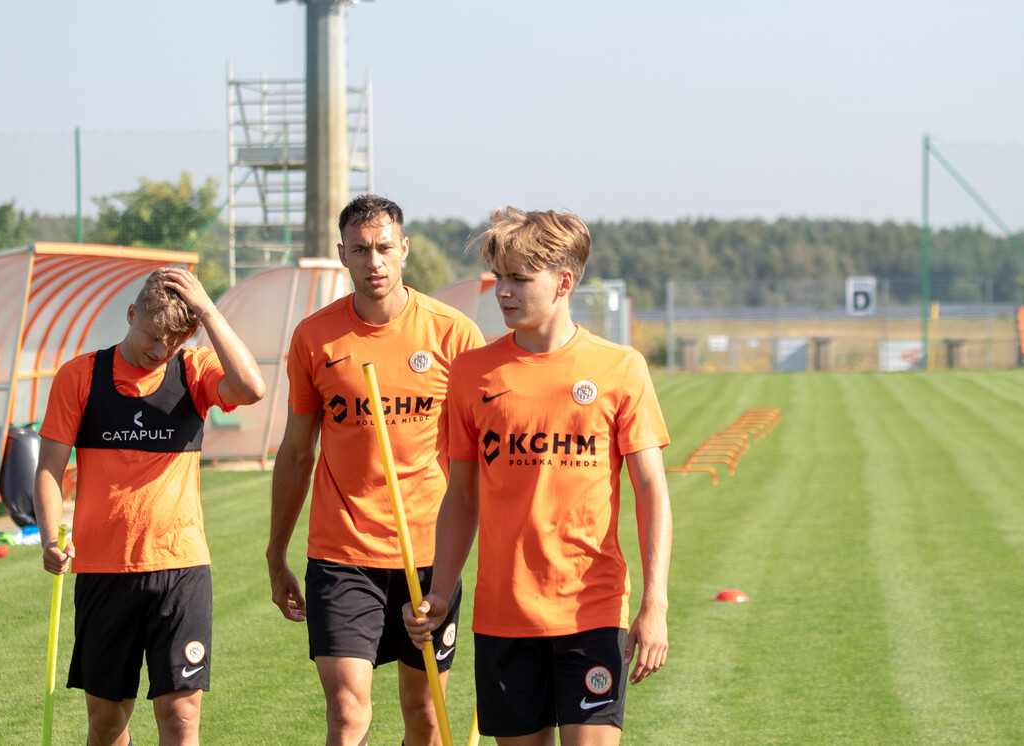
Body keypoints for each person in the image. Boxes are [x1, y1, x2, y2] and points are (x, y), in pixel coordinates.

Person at [404, 207, 674, 745]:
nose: (502, 291)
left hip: (592, 610)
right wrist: (440, 589)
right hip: (504, 615)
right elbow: (461, 497)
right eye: (498, 277)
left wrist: (655, 604)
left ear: (563, 283)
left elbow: (651, 491)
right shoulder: (471, 373)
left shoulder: (620, 368)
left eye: (519, 279)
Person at [267, 194, 485, 745]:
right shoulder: (315, 338)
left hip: (432, 554)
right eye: (361, 250)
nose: (375, 262)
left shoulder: (452, 335)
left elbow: (483, 455)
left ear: (404, 249)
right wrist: (276, 552)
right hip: (343, 555)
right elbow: (296, 452)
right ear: (342, 254)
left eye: (385, 248)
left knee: (426, 712)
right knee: (346, 711)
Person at [34, 266, 266, 746]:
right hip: (103, 570)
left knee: (180, 718)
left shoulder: (194, 370)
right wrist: (47, 536)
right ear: (132, 313)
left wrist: (207, 310)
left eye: (175, 340)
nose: (162, 351)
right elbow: (48, 471)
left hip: (180, 568)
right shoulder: (80, 376)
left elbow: (251, 388)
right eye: (155, 336)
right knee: (105, 720)